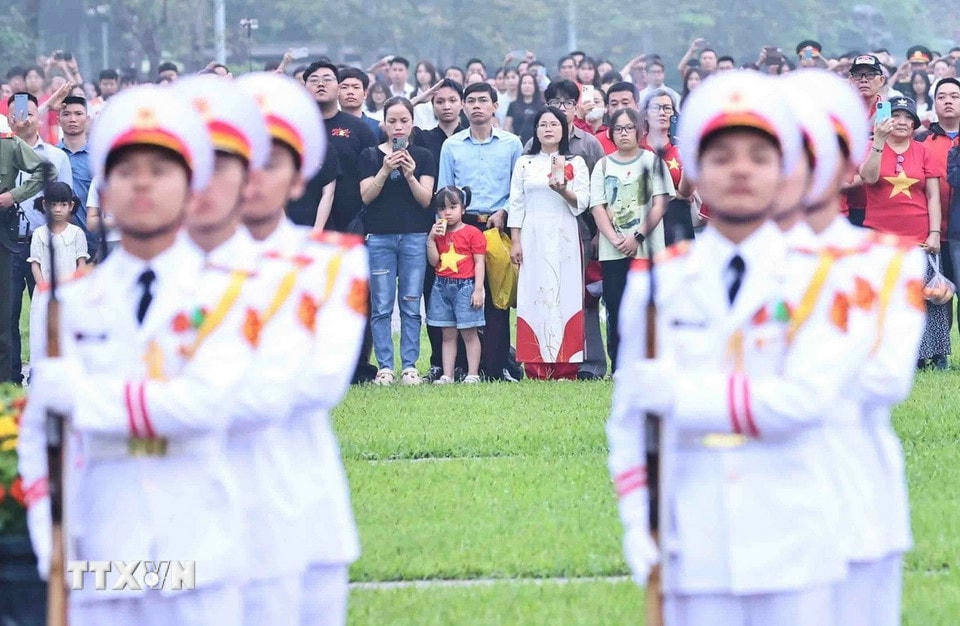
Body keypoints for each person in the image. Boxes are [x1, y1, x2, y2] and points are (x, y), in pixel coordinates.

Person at [609, 70, 859, 626]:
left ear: (785, 172)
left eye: (758, 156)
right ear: (695, 174)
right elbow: (629, 423)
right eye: (721, 157)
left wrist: (683, 395)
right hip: (689, 543)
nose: (740, 169)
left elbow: (805, 402)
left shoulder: (821, 279)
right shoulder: (657, 285)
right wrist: (635, 519)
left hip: (797, 543)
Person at [21, 83, 249, 625]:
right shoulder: (67, 302)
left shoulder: (229, 292)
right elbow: (39, 430)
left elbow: (209, 405)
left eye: (160, 169)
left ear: (192, 188)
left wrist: (88, 402)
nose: (142, 182)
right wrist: (46, 536)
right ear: (105, 189)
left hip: (200, 543)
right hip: (100, 544)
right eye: (126, 171)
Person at [789, 67, 925, 626]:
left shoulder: (892, 263)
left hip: (861, 493)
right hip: (768, 502)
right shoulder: (733, 264)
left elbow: (889, 378)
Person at [238, 71, 369, 626]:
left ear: (300, 176)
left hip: (300, 499)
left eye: (273, 161)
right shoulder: (179, 267)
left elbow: (316, 381)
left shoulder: (333, 263)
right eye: (238, 161)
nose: (252, 178)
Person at [437, 82, 522, 380]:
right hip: (462, 226)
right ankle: (463, 367)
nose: (476, 106)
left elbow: (518, 187)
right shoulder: (452, 146)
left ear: (495, 106)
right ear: (463, 105)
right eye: (470, 100)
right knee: (462, 296)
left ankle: (496, 368)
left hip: (497, 226)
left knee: (496, 300)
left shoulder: (512, 144)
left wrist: (506, 211)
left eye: (483, 101)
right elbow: (443, 190)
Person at [861, 96, 950, 369]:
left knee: (928, 297)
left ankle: (935, 355)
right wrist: (878, 141)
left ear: (914, 123)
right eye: (895, 115)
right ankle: (891, 354)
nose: (900, 122)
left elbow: (933, 197)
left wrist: (934, 232)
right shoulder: (870, 146)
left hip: (919, 235)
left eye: (906, 117)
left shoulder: (923, 151)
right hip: (880, 237)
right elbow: (868, 178)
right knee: (886, 297)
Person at [589, 107, 674, 371]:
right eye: (618, 129)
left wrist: (637, 236)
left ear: (639, 131)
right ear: (611, 132)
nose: (623, 133)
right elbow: (598, 207)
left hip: (647, 249)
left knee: (649, 307)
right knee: (616, 307)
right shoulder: (603, 165)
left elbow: (660, 204)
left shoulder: (652, 162)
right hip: (613, 251)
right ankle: (620, 365)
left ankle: (651, 361)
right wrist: (615, 239)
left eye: (628, 128)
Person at [508, 107, 589, 379]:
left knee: (564, 293)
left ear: (563, 129)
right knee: (533, 294)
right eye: (542, 124)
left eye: (554, 124)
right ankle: (535, 364)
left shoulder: (575, 162)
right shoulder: (524, 163)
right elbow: (516, 203)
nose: (548, 129)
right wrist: (515, 240)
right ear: (535, 130)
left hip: (564, 232)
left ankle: (566, 365)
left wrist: (564, 189)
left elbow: (583, 202)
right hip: (532, 233)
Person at [359, 97, 435, 386]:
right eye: (392, 121)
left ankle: (410, 366)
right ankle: (385, 366)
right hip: (379, 237)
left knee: (411, 302)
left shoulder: (424, 156)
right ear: (384, 124)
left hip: (415, 236)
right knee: (381, 304)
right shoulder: (369, 155)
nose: (398, 127)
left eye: (404, 120)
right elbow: (365, 196)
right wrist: (384, 169)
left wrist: (409, 174)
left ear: (413, 123)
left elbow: (427, 200)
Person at [7, 91, 70, 382]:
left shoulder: (55, 156)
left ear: (38, 117)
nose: (22, 119)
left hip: (43, 243)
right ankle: (8, 378)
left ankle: (48, 377)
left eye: (29, 113)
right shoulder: (4, 148)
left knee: (48, 314)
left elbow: (67, 203)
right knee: (6, 316)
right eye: (16, 114)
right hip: (7, 243)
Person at [303, 61, 378, 234]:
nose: (321, 84)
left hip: (351, 224)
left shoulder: (359, 128)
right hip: (303, 223)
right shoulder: (297, 128)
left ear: (338, 88)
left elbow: (374, 174)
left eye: (327, 79)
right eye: (314, 80)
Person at [426, 185, 485, 384]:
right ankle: (447, 374)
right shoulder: (439, 234)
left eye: (453, 207)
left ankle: (473, 373)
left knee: (469, 332)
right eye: (442, 208)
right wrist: (431, 239)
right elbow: (434, 261)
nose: (448, 212)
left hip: (465, 286)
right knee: (447, 333)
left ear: (463, 208)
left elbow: (479, 262)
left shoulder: (473, 233)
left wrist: (478, 289)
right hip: (441, 286)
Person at [918, 77, 960, 297]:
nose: (948, 101)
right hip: (932, 234)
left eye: (955, 96)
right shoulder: (921, 141)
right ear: (934, 103)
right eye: (941, 97)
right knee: (937, 299)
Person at [845, 55, 887, 226]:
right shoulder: (841, 114)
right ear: (850, 80)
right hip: (847, 202)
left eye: (870, 75)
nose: (863, 80)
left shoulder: (891, 113)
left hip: (881, 201)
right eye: (858, 75)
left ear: (882, 80)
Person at [26, 181, 87, 285]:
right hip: (45, 291)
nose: (58, 209)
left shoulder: (77, 233)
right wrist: (43, 287)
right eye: (53, 204)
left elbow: (81, 263)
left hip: (70, 290)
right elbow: (35, 264)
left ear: (71, 205)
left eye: (63, 205)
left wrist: (74, 287)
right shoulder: (39, 233)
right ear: (45, 204)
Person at [57, 96, 92, 233]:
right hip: (57, 240)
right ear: (58, 120)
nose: (72, 119)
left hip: (93, 239)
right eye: (66, 114)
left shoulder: (97, 157)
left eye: (78, 114)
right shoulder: (51, 156)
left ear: (87, 119)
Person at [338, 67, 383, 136]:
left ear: (365, 93)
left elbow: (401, 145)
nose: (350, 92)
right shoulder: (326, 127)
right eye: (344, 87)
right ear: (336, 93)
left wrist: (399, 135)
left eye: (356, 87)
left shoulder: (378, 127)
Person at [504, 73, 544, 144]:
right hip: (518, 143)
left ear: (535, 86)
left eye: (530, 83)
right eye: (524, 83)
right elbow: (507, 127)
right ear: (520, 86)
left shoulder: (542, 106)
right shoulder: (513, 105)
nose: (527, 86)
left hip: (538, 144)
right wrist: (512, 138)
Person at [411, 60, 440, 129]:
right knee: (397, 140)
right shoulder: (412, 95)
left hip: (435, 131)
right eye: (419, 71)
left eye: (426, 71)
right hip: (417, 132)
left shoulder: (438, 93)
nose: (422, 75)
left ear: (432, 74)